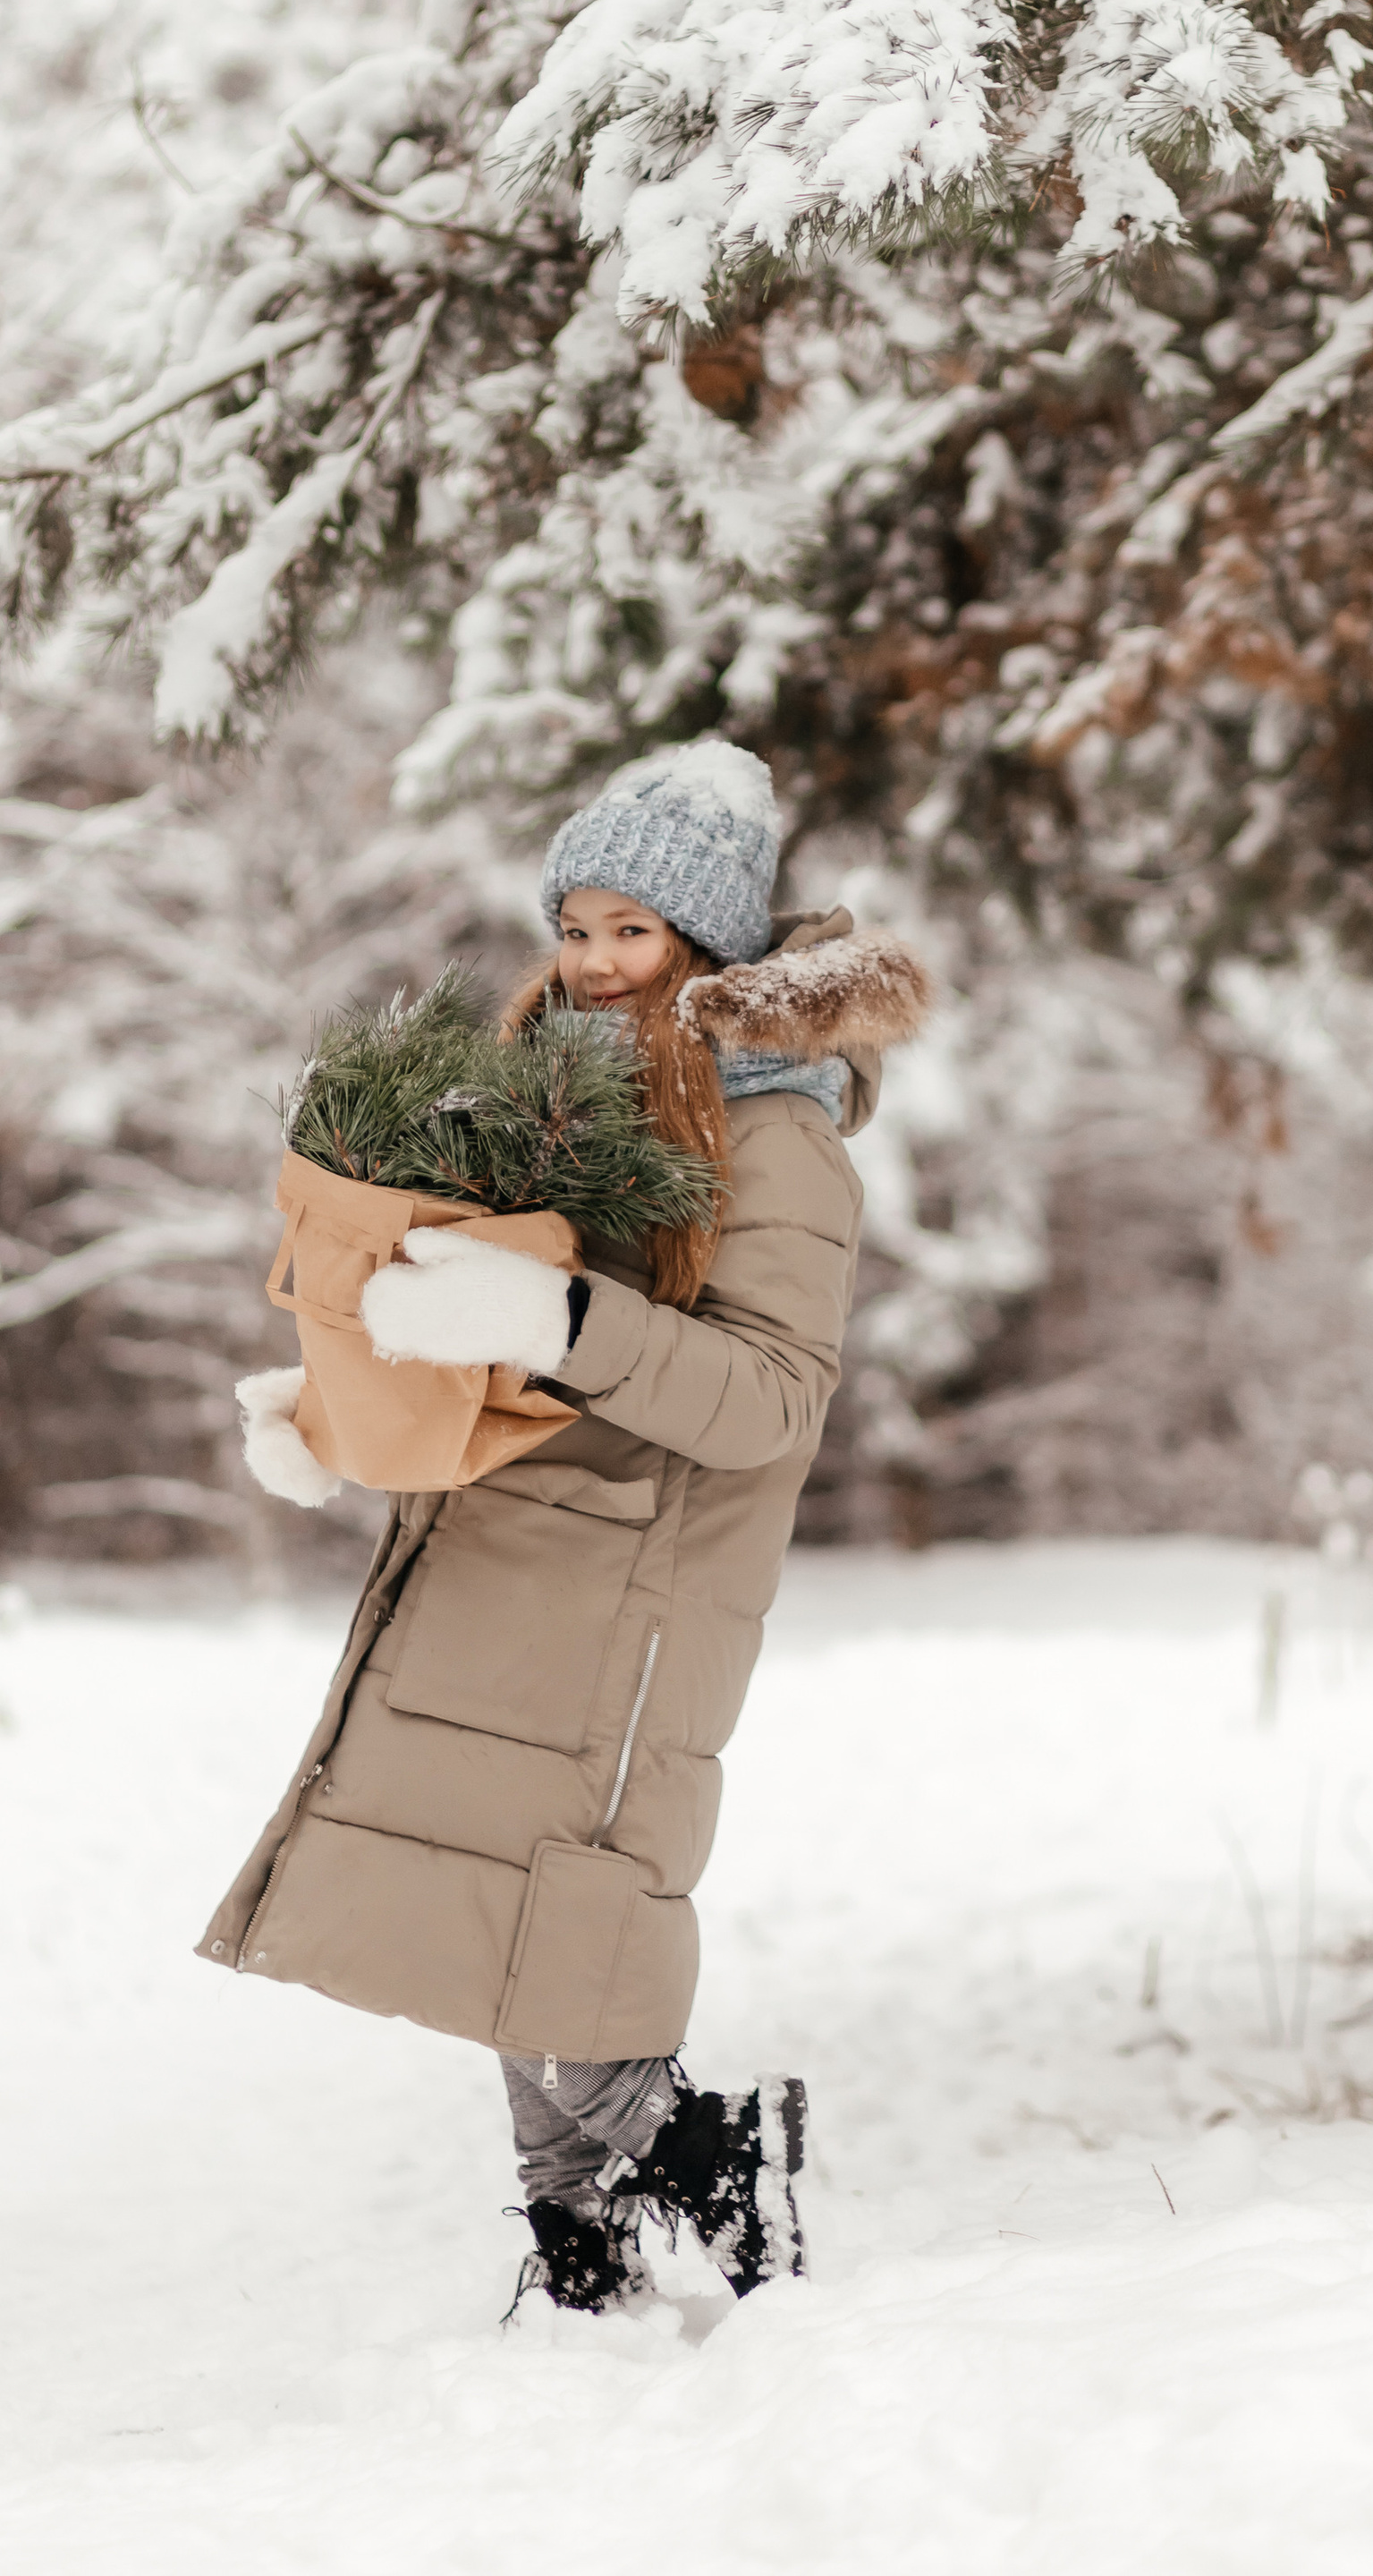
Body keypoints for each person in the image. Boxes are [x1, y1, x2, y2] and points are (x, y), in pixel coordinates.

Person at [199, 741, 930, 2314]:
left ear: (712, 944)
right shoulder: (555, 1095)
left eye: (634, 934)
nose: (595, 966)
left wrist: (551, 1311)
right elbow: (484, 1315)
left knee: (567, 1907)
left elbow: (770, 1400)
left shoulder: (779, 1134)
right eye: (578, 928)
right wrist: (340, 1406)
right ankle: (581, 2250)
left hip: (638, 1584)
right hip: (500, 1547)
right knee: (491, 1906)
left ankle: (720, 2172)